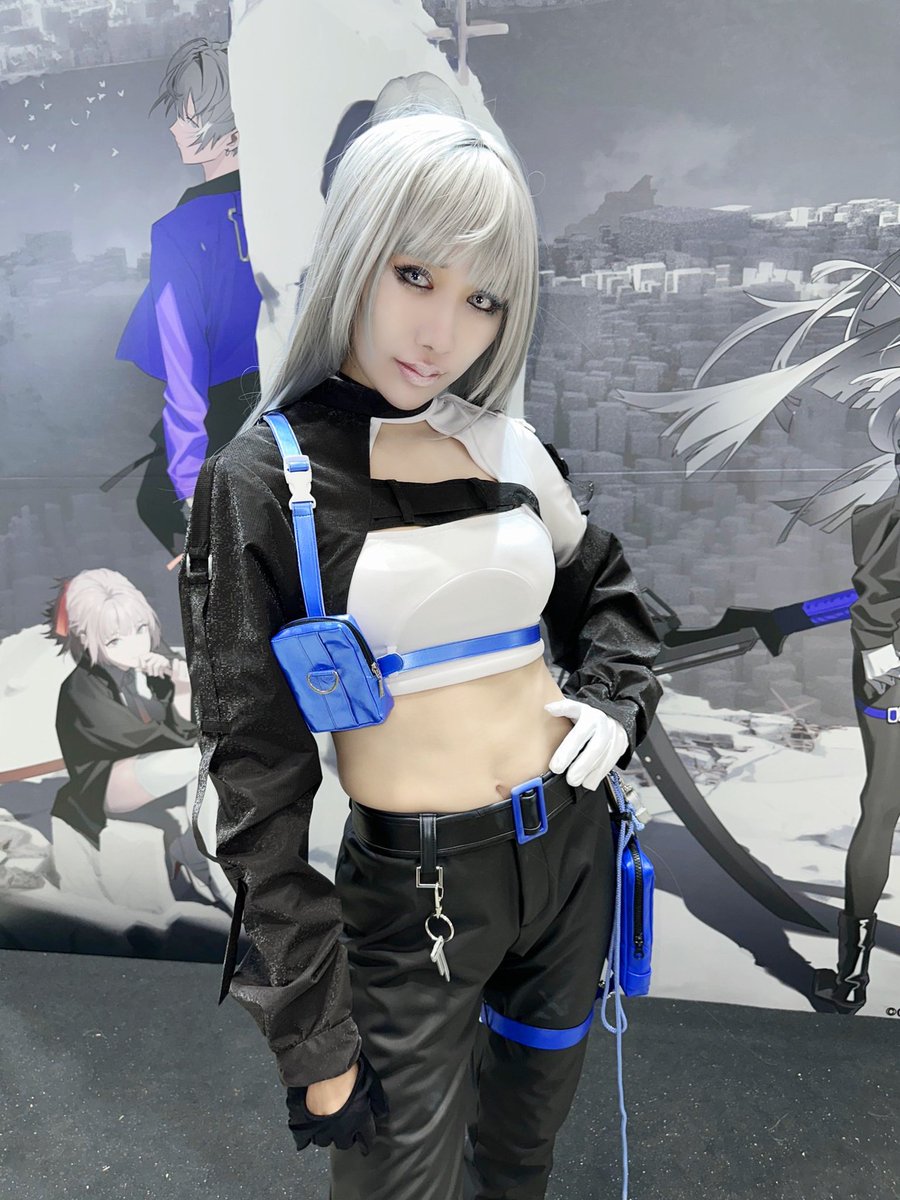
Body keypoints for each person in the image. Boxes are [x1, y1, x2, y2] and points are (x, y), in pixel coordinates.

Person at [178, 108, 662, 1200]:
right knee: (397, 1181)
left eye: (483, 299)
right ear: (356, 248)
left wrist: (614, 702)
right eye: (414, 274)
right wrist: (313, 1035)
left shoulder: (506, 448)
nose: (442, 333)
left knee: (521, 1159)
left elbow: (614, 596)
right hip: (418, 896)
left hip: (572, 853)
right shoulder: (263, 481)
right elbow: (255, 785)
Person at [112, 36, 262, 558]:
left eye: (189, 116)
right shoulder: (292, 211)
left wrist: (188, 487)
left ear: (233, 132)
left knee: (157, 511)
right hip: (293, 417)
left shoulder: (179, 231)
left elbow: (185, 374)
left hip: (222, 430)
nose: (175, 127)